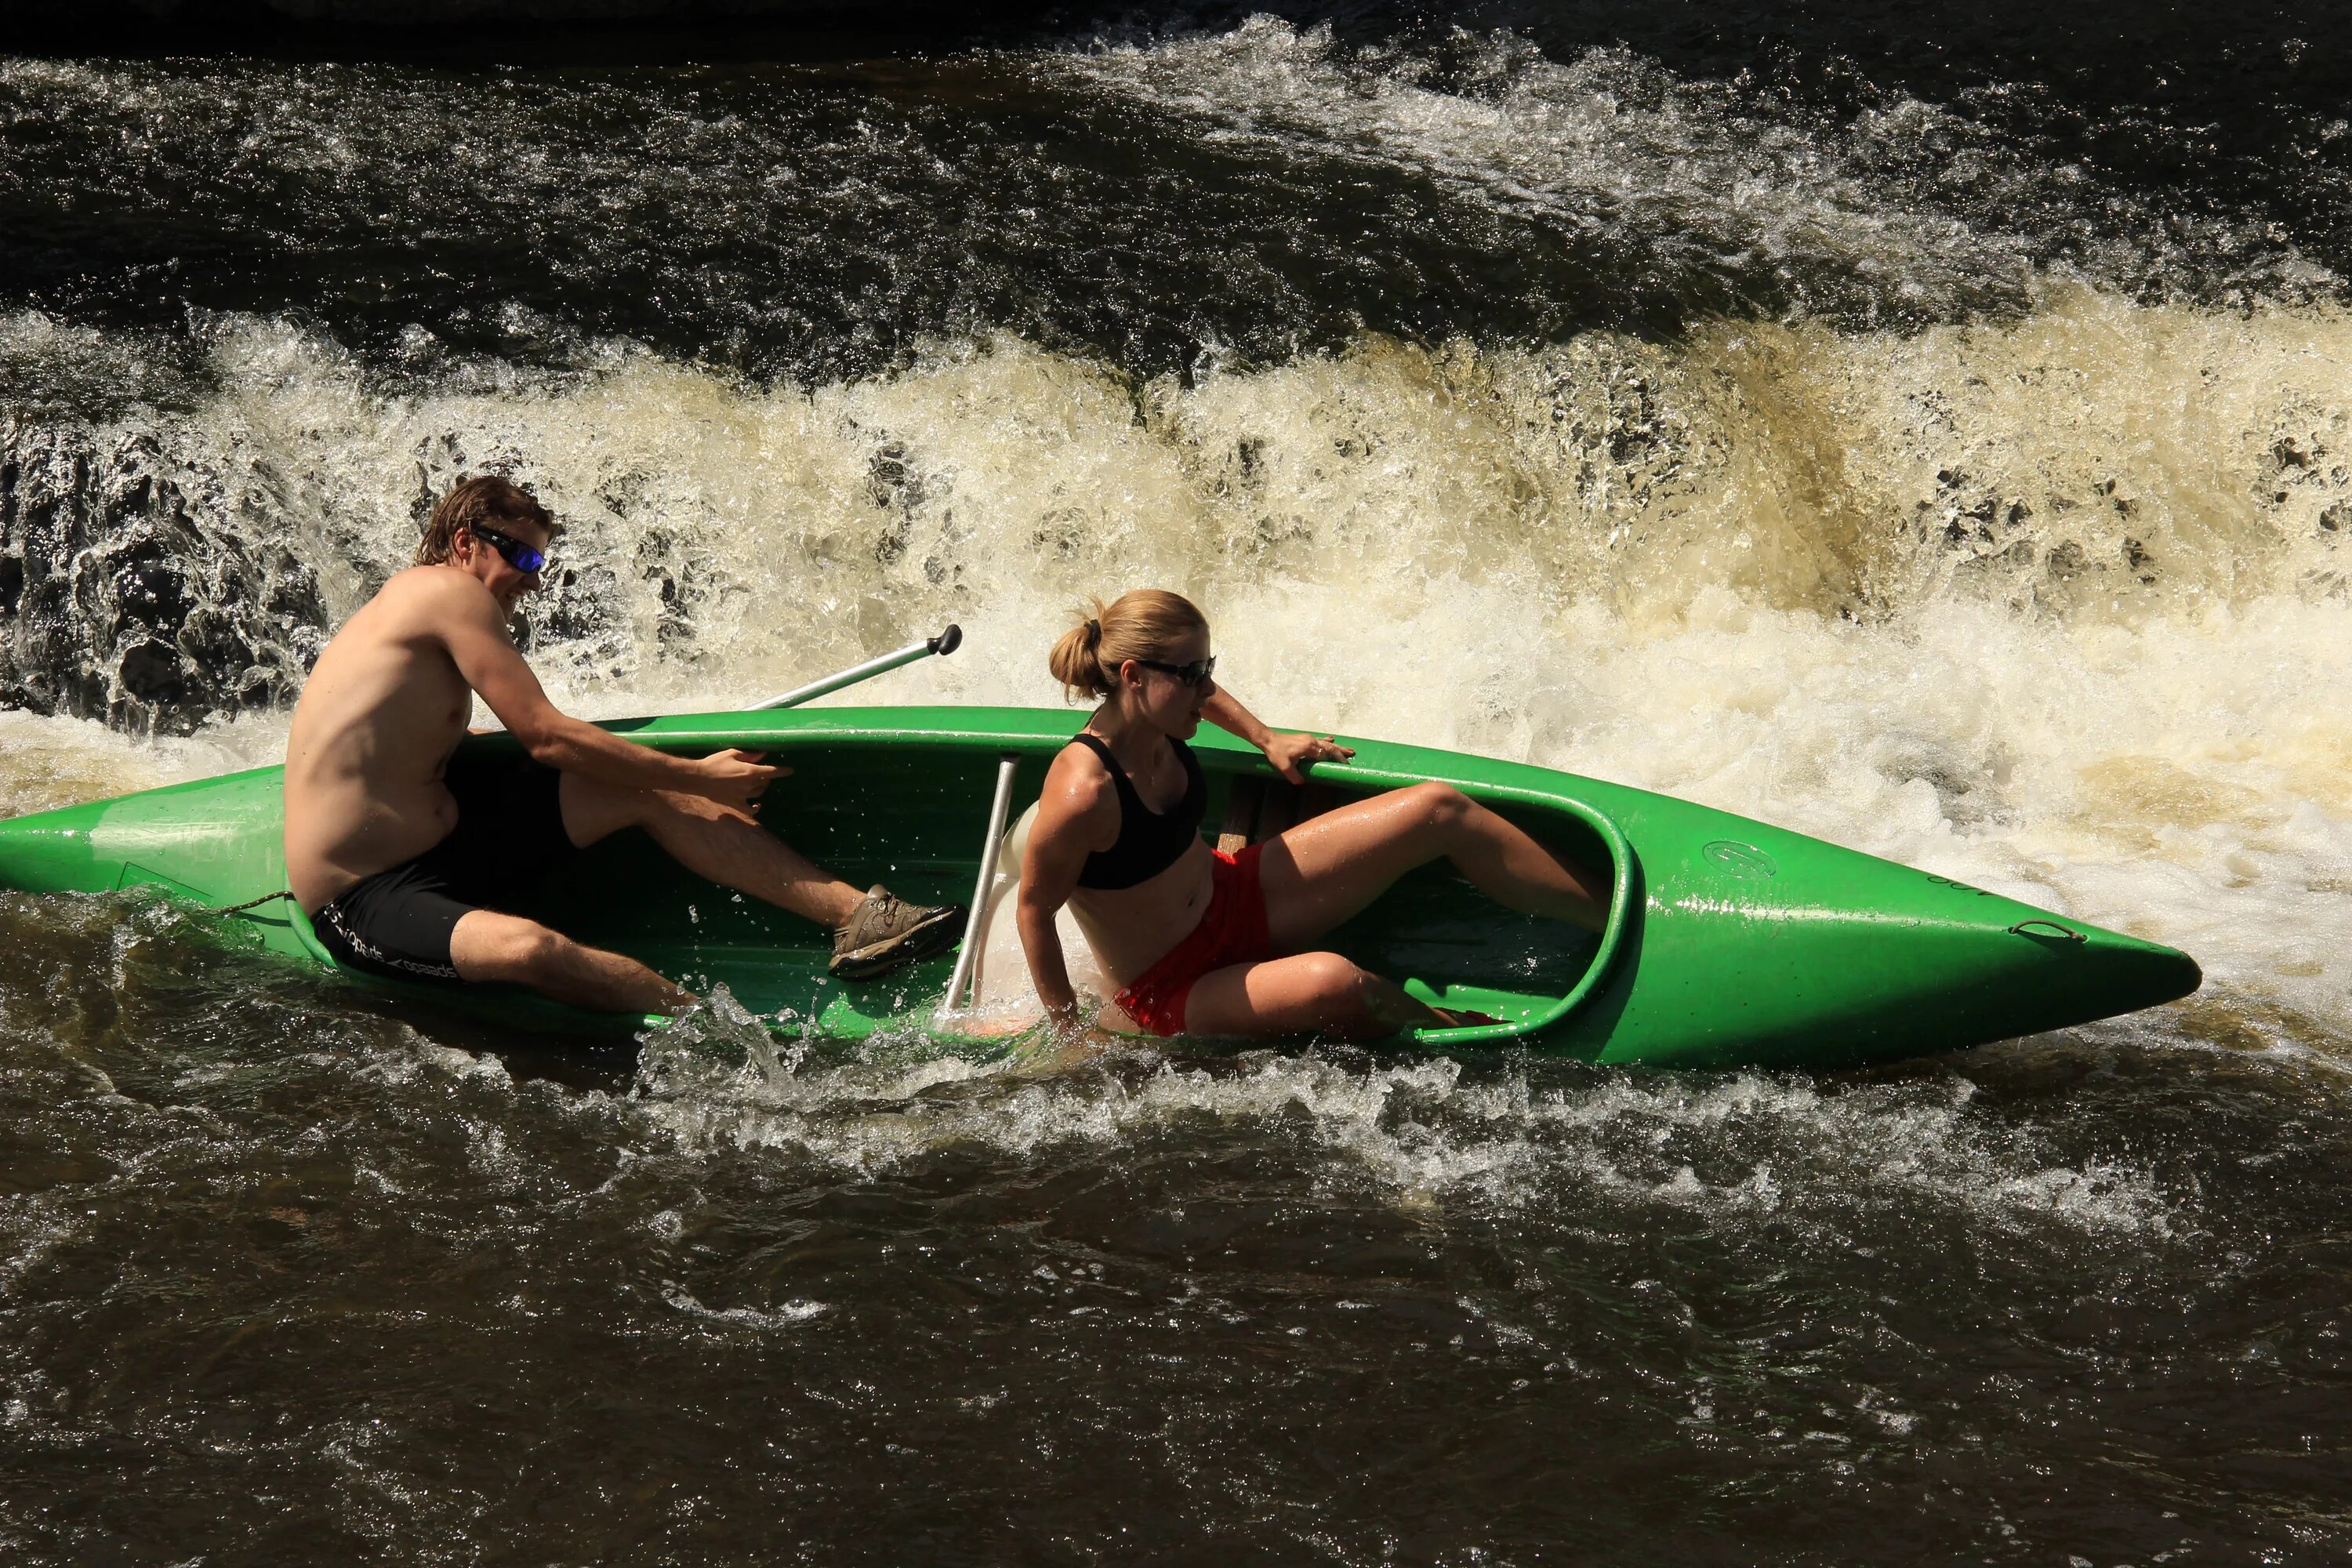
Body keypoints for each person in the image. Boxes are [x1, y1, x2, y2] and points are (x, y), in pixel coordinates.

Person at [282, 474, 961, 1013]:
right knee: (529, 950)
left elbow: (439, 735)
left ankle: (861, 917)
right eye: (519, 553)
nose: (532, 575)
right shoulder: (444, 592)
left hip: (448, 844)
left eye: (539, 559)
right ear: (466, 543)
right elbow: (546, 737)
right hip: (365, 896)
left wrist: (666, 776)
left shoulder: (422, 615)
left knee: (645, 786)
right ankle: (703, 1029)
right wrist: (700, 775)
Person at [1014, 590, 1606, 1041]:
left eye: (1208, 667)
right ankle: (1465, 1031)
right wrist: (1071, 1031)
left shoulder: (1165, 711)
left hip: (1229, 894)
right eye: (1193, 675)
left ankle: (1612, 917)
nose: (1207, 688)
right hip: (1171, 988)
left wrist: (1266, 738)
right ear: (1133, 677)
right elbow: (1035, 910)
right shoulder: (1084, 793)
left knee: (1435, 807)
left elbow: (1206, 696)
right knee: (1335, 981)